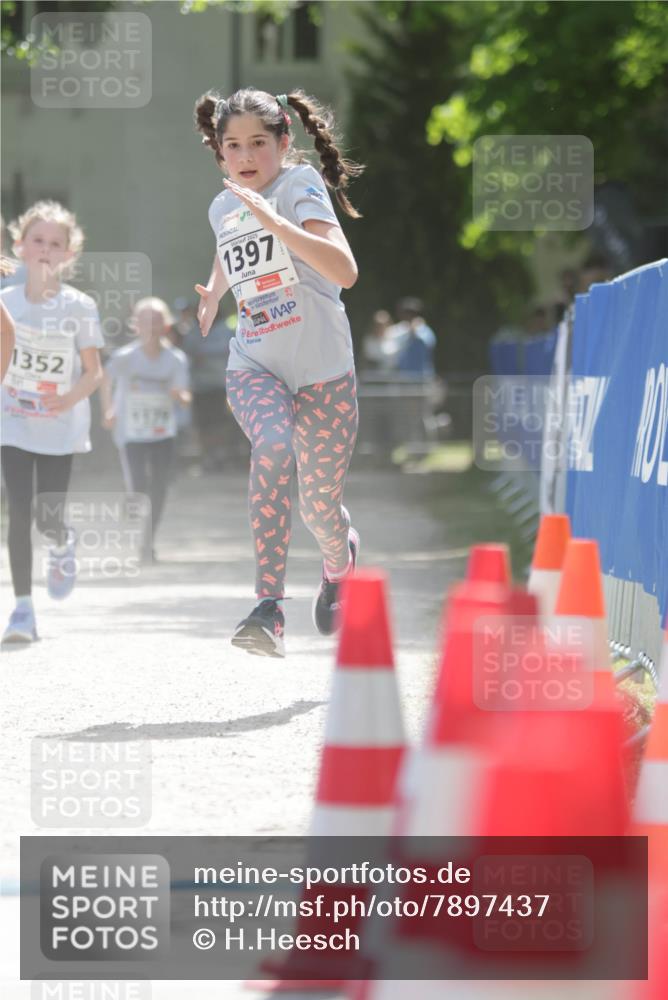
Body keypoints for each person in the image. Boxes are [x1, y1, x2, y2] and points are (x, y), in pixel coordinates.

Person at [194, 87, 363, 658]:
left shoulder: (300, 186)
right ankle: (269, 608)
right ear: (219, 153)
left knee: (320, 507)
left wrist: (274, 222)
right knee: (272, 445)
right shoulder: (222, 204)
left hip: (325, 373)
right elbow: (228, 245)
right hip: (255, 362)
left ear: (284, 143)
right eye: (232, 145)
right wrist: (215, 292)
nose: (246, 156)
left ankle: (340, 566)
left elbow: (345, 270)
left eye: (259, 143)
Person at [0, 201, 104, 643]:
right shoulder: (4, 303)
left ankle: (61, 543)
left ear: (68, 254)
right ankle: (23, 609)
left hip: (60, 426)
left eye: (55, 244)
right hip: (13, 422)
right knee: (18, 510)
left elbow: (94, 371)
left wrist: (67, 400)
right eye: (37, 241)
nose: (45, 250)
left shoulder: (79, 307)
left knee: (46, 515)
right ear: (20, 246)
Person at [100, 297, 191, 562]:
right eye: (144, 320)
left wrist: (180, 396)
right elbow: (105, 379)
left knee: (159, 487)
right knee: (139, 486)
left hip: (163, 432)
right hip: (132, 432)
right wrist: (108, 410)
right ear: (135, 326)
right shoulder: (125, 357)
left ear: (166, 325)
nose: (150, 326)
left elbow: (184, 394)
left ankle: (147, 542)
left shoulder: (176, 359)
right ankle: (132, 502)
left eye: (156, 320)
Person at [180, 298, 234, 472]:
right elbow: (187, 351)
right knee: (202, 424)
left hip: (220, 384)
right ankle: (206, 458)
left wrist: (204, 354)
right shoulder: (194, 331)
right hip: (199, 386)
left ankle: (221, 457)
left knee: (219, 423)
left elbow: (228, 350)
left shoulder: (225, 330)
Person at [385, 297, 436, 378]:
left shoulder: (425, 331)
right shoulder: (399, 330)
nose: (408, 317)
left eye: (411, 314)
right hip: (402, 376)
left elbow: (428, 344)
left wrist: (415, 332)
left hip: (422, 377)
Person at [361, 309, 394, 374]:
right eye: (378, 325)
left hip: (394, 377)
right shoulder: (369, 341)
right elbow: (372, 358)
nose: (380, 327)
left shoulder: (394, 335)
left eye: (383, 325)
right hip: (374, 377)